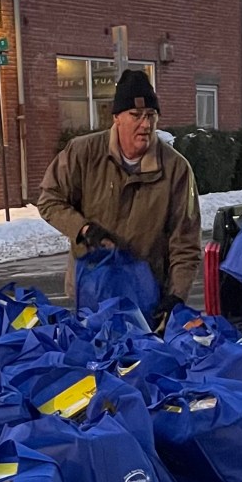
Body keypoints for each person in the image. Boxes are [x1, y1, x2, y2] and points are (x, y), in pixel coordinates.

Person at [38, 69, 200, 319]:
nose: (145, 124)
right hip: (91, 290)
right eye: (136, 115)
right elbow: (49, 199)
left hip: (147, 296)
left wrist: (175, 298)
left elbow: (185, 243)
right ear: (116, 117)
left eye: (151, 115)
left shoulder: (176, 169)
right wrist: (84, 229)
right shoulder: (83, 154)